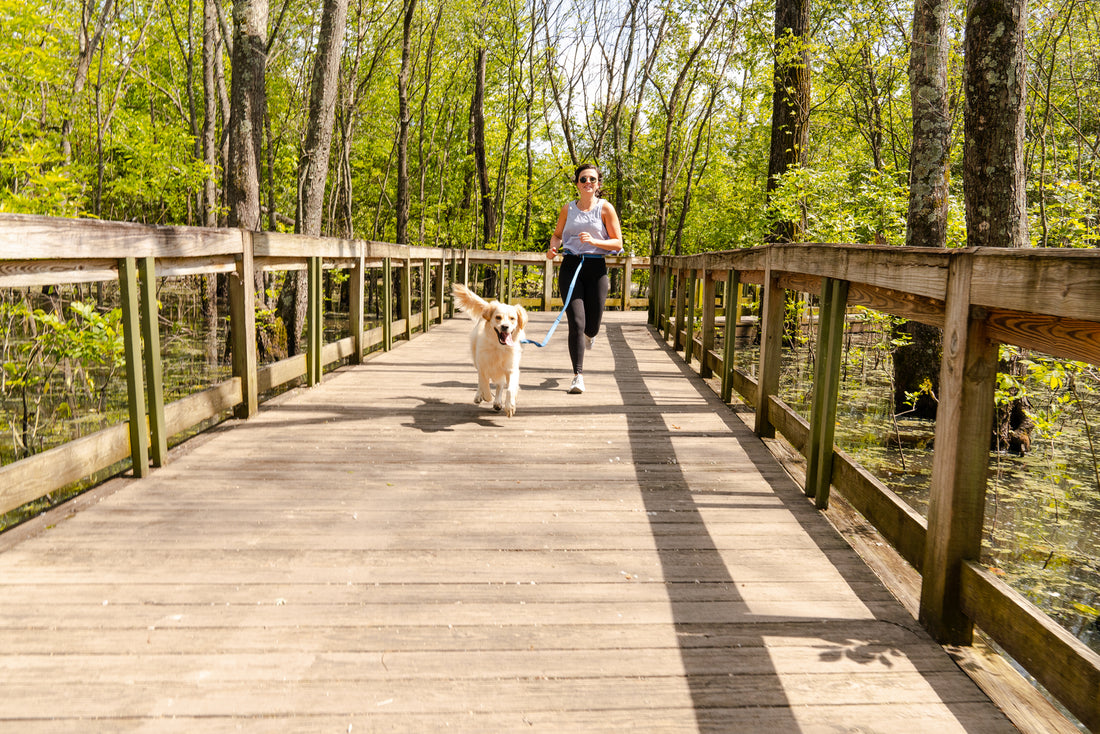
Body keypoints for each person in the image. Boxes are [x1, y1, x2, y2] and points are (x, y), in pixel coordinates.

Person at [546, 164, 624, 394]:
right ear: (577, 183)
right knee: (576, 323)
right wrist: (553, 248)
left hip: (595, 267)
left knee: (592, 325)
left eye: (592, 178)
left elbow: (618, 243)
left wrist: (594, 241)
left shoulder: (605, 208)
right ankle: (577, 376)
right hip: (571, 266)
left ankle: (591, 335)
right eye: (583, 179)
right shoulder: (567, 209)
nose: (588, 182)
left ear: (598, 183)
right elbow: (558, 235)